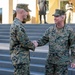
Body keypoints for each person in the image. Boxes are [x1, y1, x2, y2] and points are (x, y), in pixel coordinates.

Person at [33, 9, 75, 75]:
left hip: (62, 63)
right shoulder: (50, 29)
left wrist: (73, 60)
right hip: (50, 62)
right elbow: (43, 40)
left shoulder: (69, 31)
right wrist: (36, 43)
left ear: (63, 17)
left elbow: (73, 46)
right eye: (54, 16)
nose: (54, 18)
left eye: (57, 16)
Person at [10, 4, 36, 75]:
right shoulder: (18, 26)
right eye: (27, 11)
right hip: (21, 59)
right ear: (22, 11)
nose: (27, 14)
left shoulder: (17, 24)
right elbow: (24, 42)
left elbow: (20, 40)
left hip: (19, 58)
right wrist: (33, 45)